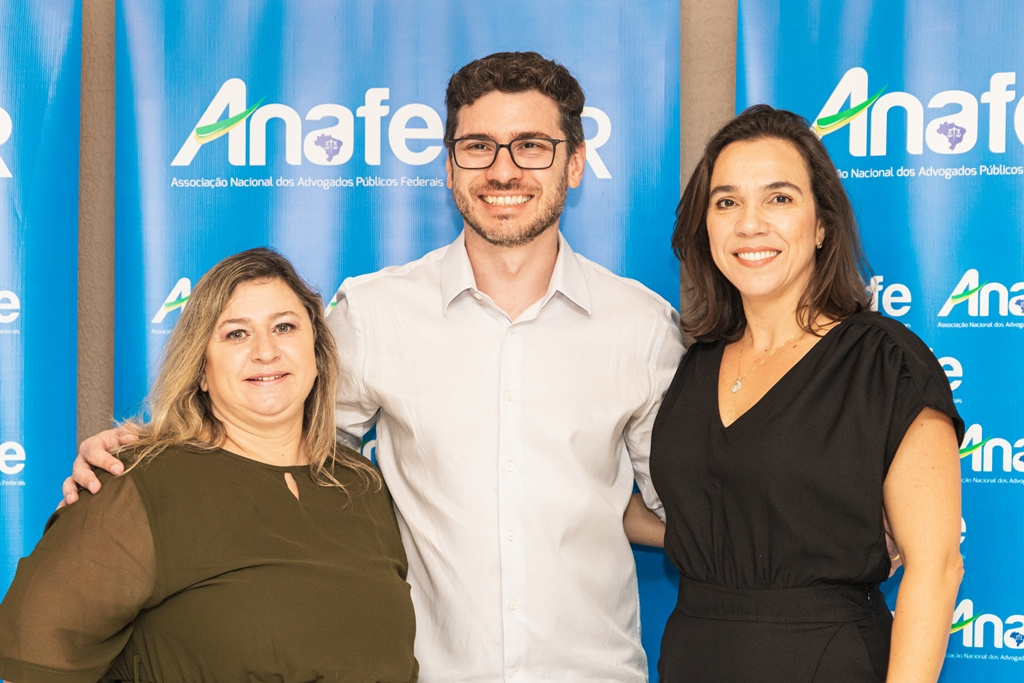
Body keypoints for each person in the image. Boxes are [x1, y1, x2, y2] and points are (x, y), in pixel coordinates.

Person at [64, 53, 684, 681]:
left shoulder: (641, 328)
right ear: (449, 166)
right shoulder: (373, 312)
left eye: (531, 146)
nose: (503, 170)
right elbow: (271, 445)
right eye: (477, 147)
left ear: (574, 162)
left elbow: (686, 508)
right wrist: (143, 456)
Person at [647, 105, 963, 681]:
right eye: (726, 202)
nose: (750, 224)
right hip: (693, 657)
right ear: (705, 226)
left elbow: (936, 568)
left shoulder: (885, 363)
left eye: (779, 198)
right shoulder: (696, 365)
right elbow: (712, 518)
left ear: (822, 226)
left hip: (827, 662)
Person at [3, 248, 417, 682]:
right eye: (236, 334)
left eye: (284, 327)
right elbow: (35, 658)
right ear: (201, 369)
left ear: (317, 352)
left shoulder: (361, 485)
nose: (266, 351)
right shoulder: (139, 482)